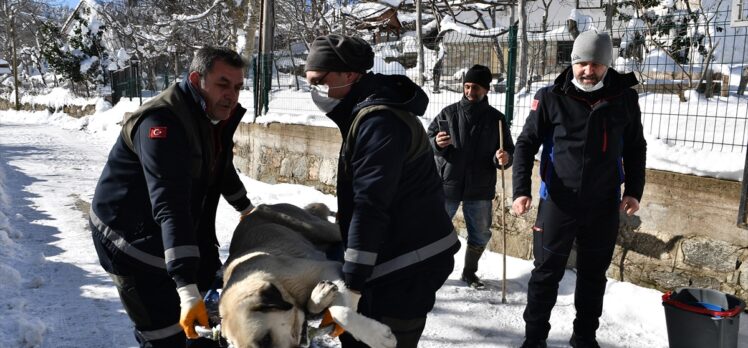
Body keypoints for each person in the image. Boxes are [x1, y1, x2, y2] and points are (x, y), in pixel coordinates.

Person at [89, 46, 253, 348]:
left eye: (238, 86)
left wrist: (247, 208)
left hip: (175, 232)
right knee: (165, 335)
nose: (232, 94)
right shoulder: (160, 124)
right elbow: (170, 203)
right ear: (196, 79)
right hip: (130, 241)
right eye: (222, 84)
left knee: (206, 328)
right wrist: (187, 288)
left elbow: (218, 165)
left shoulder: (206, 115)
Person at [305, 34, 460, 348]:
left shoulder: (379, 122)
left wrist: (353, 286)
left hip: (409, 266)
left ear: (349, 74)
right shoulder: (364, 112)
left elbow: (370, 204)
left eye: (320, 80)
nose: (314, 89)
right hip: (393, 258)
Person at [511, 30, 646, 348]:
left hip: (602, 205)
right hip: (558, 203)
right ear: (572, 62)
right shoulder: (550, 97)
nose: (588, 71)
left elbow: (635, 148)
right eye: (582, 63)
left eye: (596, 64)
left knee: (593, 276)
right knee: (545, 274)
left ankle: (584, 336)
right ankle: (534, 339)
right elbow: (525, 143)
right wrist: (521, 189)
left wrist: (634, 190)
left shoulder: (623, 99)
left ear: (607, 65)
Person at [427, 64, 514, 289]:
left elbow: (507, 151)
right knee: (433, 229)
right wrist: (437, 144)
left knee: (481, 234)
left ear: (486, 89)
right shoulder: (448, 113)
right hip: (448, 184)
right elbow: (427, 140)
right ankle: (429, 271)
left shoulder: (497, 119)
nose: (469, 91)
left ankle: (469, 272)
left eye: (475, 87)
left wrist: (502, 158)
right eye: (466, 86)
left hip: (480, 187)